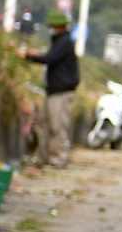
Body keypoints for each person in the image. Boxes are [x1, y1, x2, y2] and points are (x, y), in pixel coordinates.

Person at [23, 10, 80, 167]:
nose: (52, 29)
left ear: (61, 27)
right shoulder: (59, 41)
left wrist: (29, 56)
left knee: (57, 126)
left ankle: (59, 158)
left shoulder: (65, 42)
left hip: (62, 92)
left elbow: (50, 58)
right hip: (54, 91)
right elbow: (50, 55)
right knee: (46, 126)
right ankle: (42, 158)